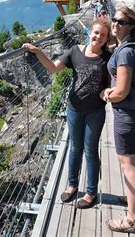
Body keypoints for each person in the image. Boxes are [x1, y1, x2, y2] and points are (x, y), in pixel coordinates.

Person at [22, 20, 112, 209]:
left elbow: (113, 81)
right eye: (96, 33)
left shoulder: (108, 58)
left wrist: (107, 92)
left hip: (95, 111)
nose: (98, 37)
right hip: (74, 109)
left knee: (90, 150)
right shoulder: (75, 51)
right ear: (89, 32)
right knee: (75, 148)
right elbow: (53, 68)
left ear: (106, 38)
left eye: (103, 35)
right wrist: (38, 52)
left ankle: (90, 192)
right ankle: (72, 186)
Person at [103, 7, 135, 233]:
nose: (115, 24)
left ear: (131, 26)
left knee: (127, 161)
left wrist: (106, 94)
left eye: (120, 22)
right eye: (114, 20)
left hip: (127, 114)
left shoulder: (126, 52)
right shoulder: (126, 47)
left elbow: (121, 91)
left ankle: (132, 220)